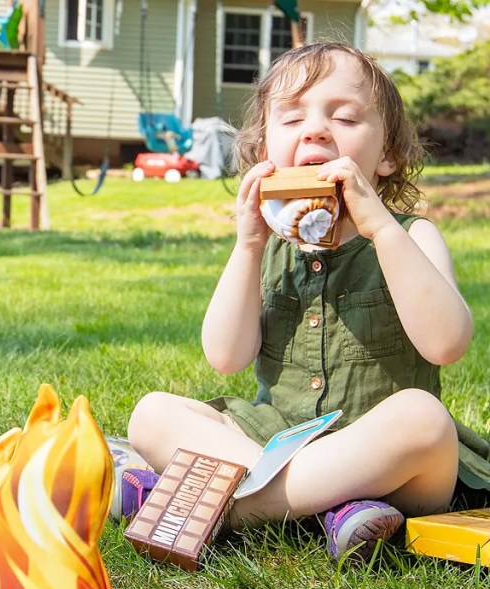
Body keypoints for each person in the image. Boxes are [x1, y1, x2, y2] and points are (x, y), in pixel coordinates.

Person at [126, 43, 490, 561]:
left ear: (387, 156)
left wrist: (380, 229)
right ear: (263, 153)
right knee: (152, 413)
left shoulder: (412, 235)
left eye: (344, 116)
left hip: (387, 459)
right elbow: (225, 357)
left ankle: (217, 505)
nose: (316, 129)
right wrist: (247, 245)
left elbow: (446, 343)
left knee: (424, 419)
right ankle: (331, 509)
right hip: (275, 441)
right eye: (293, 117)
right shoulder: (266, 247)